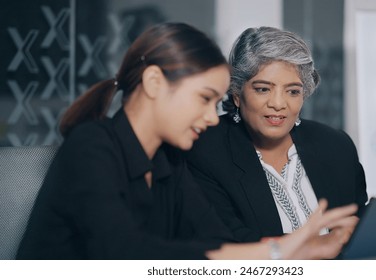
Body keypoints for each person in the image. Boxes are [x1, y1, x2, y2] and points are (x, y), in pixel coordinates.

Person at [16, 22, 358, 260]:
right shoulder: (91, 146)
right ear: (154, 83)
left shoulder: (169, 163)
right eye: (205, 99)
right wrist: (279, 252)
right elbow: (125, 256)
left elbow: (215, 244)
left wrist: (299, 250)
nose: (213, 117)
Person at [185, 26, 376, 251]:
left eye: (292, 91)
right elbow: (224, 243)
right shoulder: (204, 148)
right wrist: (320, 245)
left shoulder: (334, 145)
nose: (278, 104)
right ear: (236, 94)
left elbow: (357, 228)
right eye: (263, 89)